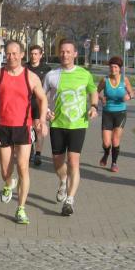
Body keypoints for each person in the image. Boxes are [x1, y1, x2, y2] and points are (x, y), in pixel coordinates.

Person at [0, 40, 47, 225]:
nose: (11, 57)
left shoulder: (31, 77)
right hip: (3, 128)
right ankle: (7, 183)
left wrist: (42, 120)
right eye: (8, 54)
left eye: (14, 53)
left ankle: (21, 208)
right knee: (6, 170)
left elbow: (42, 99)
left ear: (21, 55)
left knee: (23, 167)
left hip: (23, 128)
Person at [43, 39, 98, 216]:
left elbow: (93, 91)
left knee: (74, 161)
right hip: (57, 124)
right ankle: (63, 180)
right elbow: (41, 97)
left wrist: (94, 106)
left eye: (68, 52)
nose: (65, 54)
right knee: (58, 162)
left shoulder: (84, 74)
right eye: (62, 51)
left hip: (78, 124)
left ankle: (70, 199)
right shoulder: (52, 75)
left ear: (75, 54)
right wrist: (46, 111)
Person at [97, 56, 134, 172]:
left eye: (116, 67)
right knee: (106, 142)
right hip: (107, 113)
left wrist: (129, 96)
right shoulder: (105, 80)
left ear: (120, 68)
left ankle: (114, 163)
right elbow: (96, 92)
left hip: (120, 113)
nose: (113, 69)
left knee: (115, 140)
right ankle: (106, 153)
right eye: (111, 67)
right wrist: (101, 98)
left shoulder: (124, 80)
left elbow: (132, 92)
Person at [25, 44, 51, 167]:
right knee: (27, 128)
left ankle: (38, 154)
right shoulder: (24, 68)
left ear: (41, 55)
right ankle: (30, 150)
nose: (33, 56)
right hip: (26, 103)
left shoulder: (46, 69)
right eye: (32, 54)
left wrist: (49, 107)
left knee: (38, 128)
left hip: (39, 102)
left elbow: (49, 89)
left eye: (36, 54)